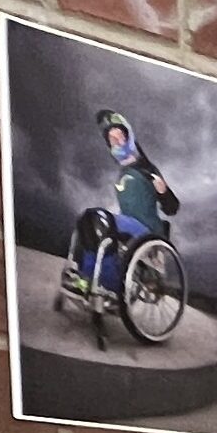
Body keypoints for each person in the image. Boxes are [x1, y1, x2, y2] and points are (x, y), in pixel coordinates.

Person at [65, 109, 181, 297]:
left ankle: (109, 284)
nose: (117, 141)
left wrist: (164, 192)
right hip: (127, 229)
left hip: (147, 230)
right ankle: (85, 277)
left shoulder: (147, 170)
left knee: (98, 218)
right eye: (112, 139)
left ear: (129, 138)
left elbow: (172, 208)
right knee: (88, 220)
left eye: (120, 136)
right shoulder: (121, 175)